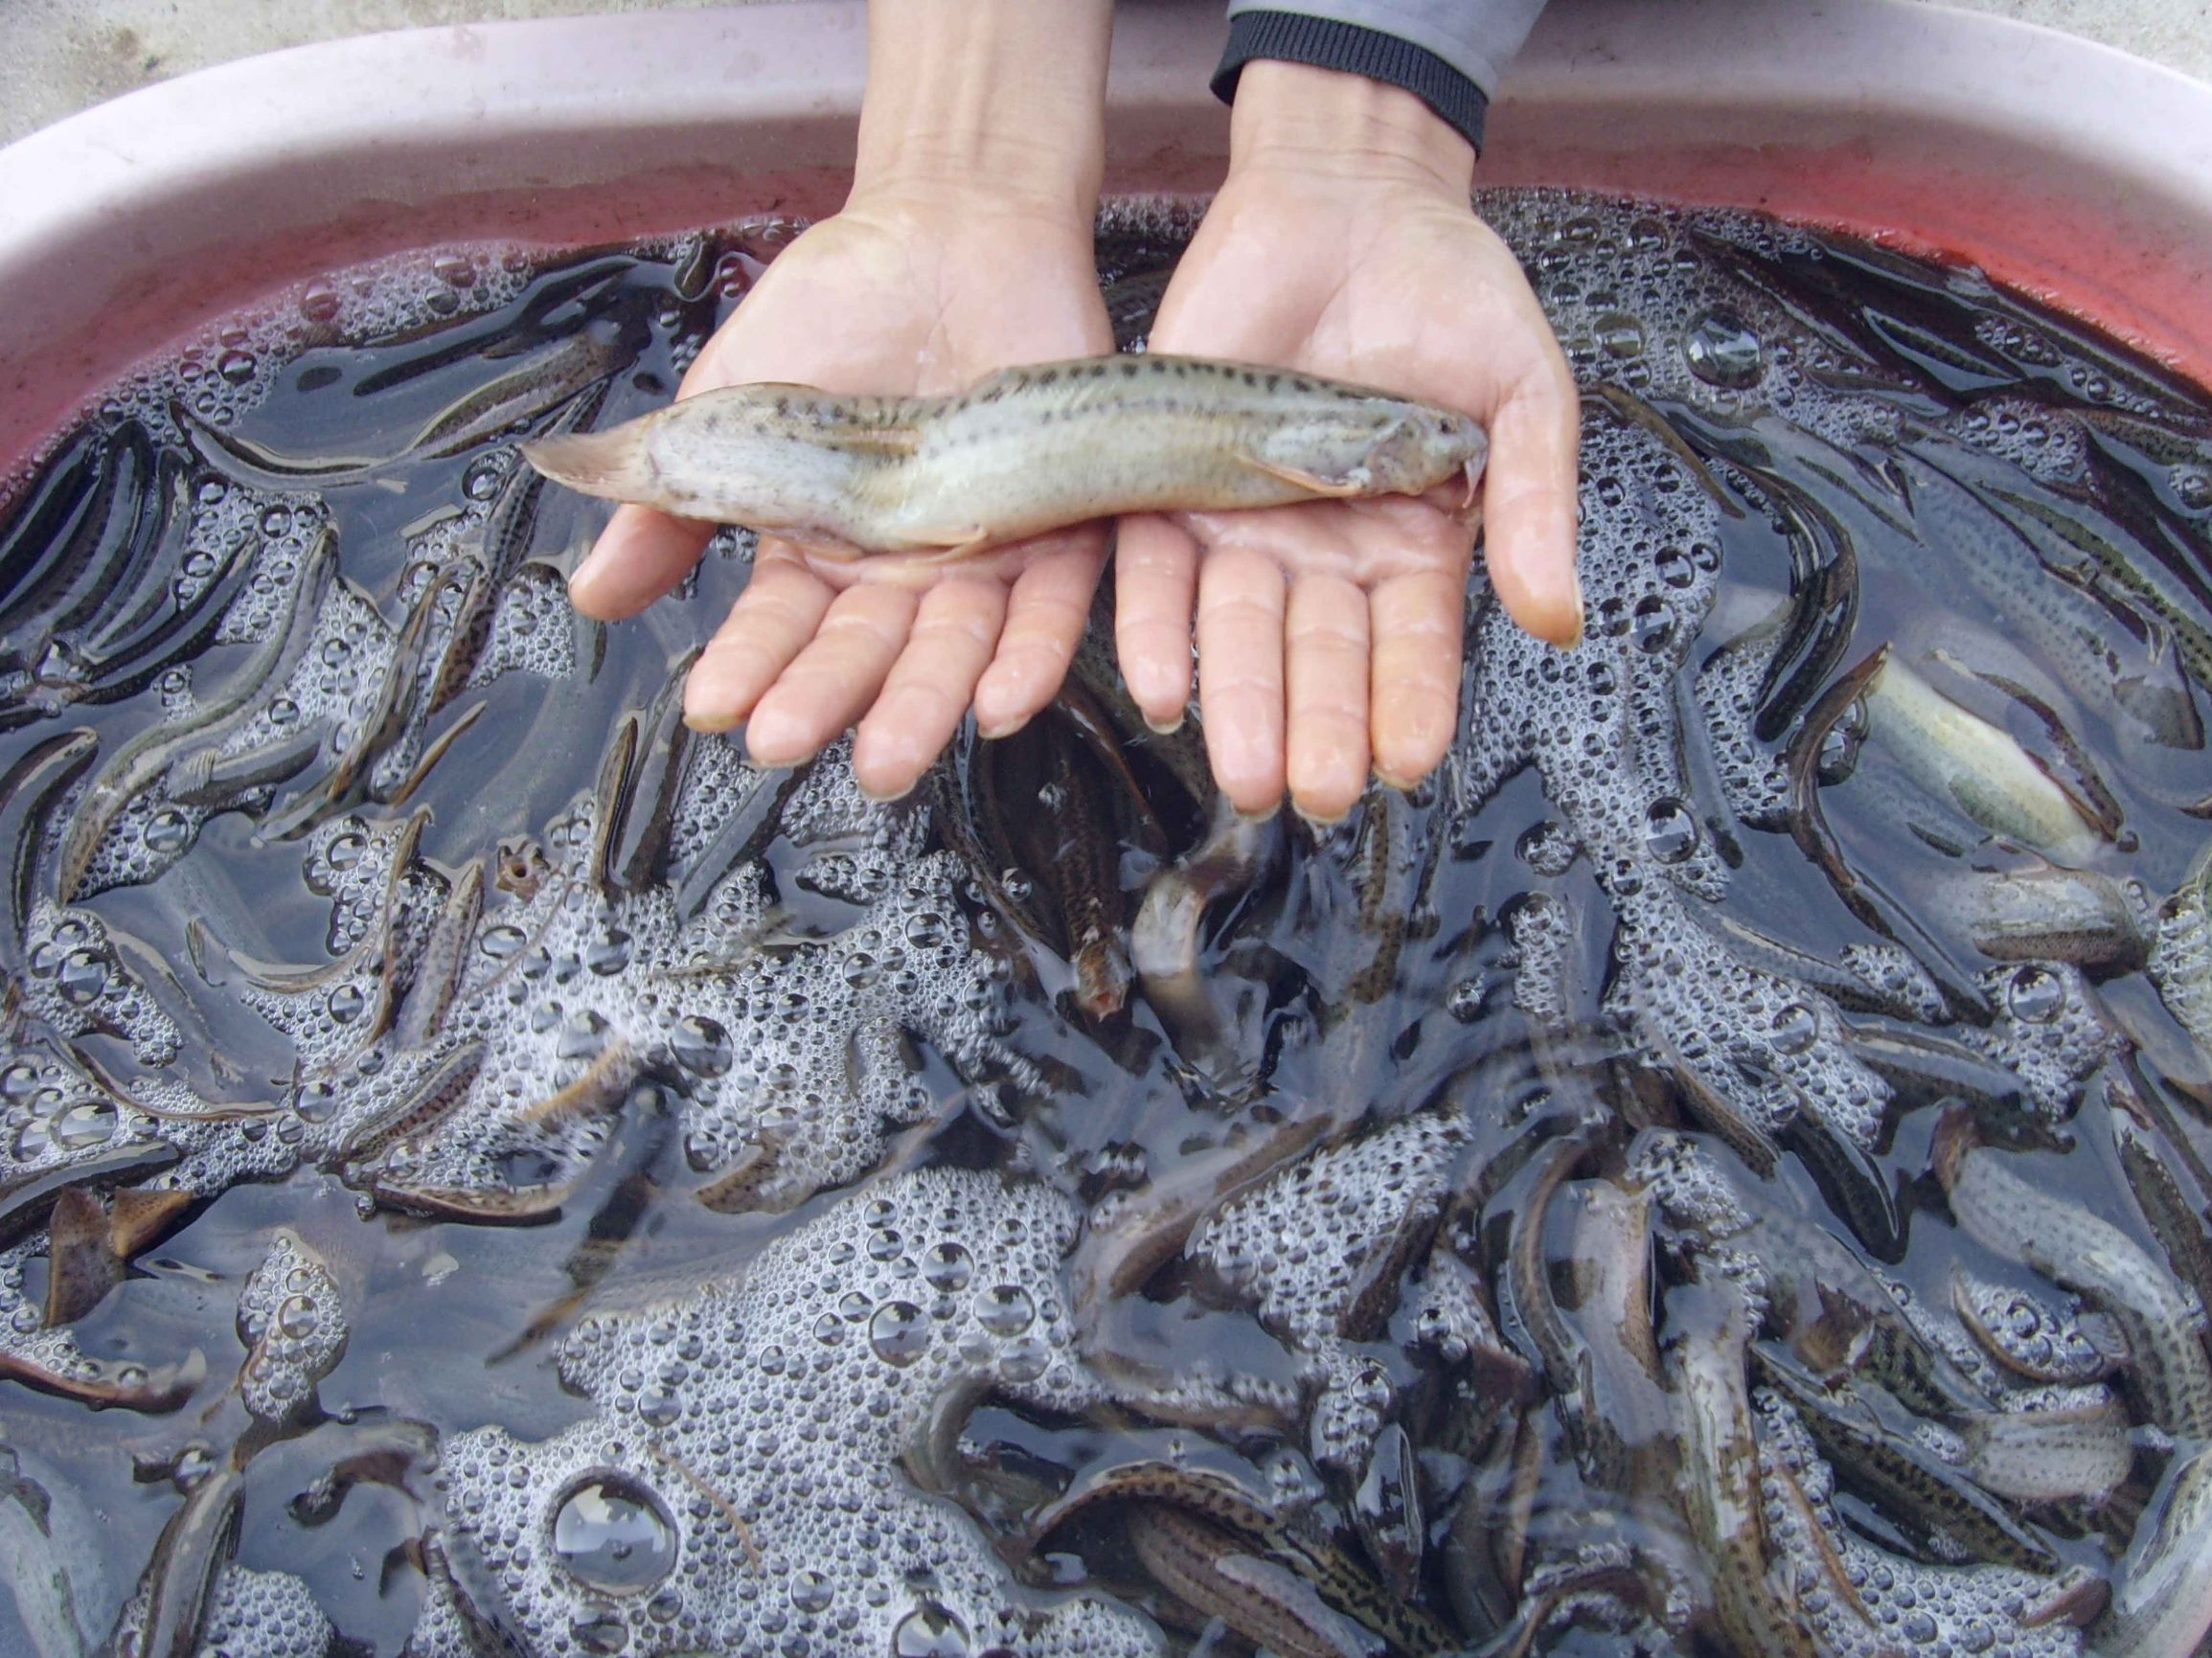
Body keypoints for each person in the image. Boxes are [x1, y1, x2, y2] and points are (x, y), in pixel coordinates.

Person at [565, 0, 1581, 825]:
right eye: (1434, 438)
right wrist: (960, 160)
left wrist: (1366, 119)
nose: (1451, 450)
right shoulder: (1354, 444)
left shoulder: (1355, 438)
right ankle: (680, 458)